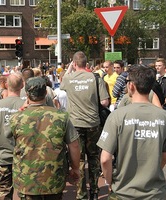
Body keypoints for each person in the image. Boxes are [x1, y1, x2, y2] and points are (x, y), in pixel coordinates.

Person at [97, 64, 166, 199]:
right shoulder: (164, 117)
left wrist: (109, 180)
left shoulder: (117, 116)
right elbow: (165, 156)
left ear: (132, 86)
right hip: (154, 193)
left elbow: (105, 159)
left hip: (123, 192)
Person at [9, 77, 80, 200]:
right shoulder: (61, 116)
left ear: (26, 94)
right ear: (46, 93)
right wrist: (75, 169)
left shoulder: (17, 117)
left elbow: (7, 138)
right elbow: (74, 145)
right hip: (54, 178)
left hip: (26, 180)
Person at [60, 51, 110, 200]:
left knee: (79, 160)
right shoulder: (95, 78)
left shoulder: (68, 78)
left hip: (75, 124)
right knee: (94, 157)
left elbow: (61, 85)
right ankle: (94, 191)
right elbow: (105, 102)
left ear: (74, 64)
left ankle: (81, 194)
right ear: (86, 64)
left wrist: (70, 68)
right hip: (93, 123)